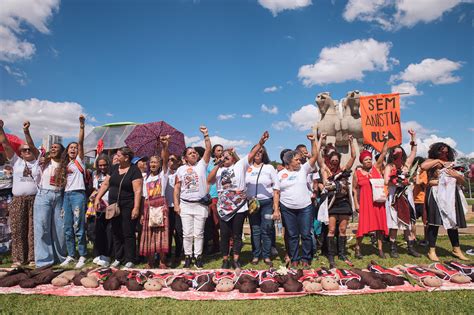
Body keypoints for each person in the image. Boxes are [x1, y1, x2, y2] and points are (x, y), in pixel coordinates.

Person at [208, 131, 270, 269]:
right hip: (223, 207)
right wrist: (218, 165)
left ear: (233, 158)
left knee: (237, 234)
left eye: (227, 155)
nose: (225, 158)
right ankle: (225, 259)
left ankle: (236, 258)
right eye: (223, 156)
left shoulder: (240, 165)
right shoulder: (218, 170)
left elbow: (252, 153)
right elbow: (209, 180)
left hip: (239, 207)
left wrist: (261, 142)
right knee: (224, 234)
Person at [94, 147, 143, 268]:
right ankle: (118, 257)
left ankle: (130, 258)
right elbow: (106, 184)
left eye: (119, 155)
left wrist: (136, 208)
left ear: (126, 157)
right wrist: (97, 197)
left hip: (128, 205)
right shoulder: (114, 168)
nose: (116, 157)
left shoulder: (134, 170)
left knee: (128, 231)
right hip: (113, 205)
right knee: (115, 231)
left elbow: (137, 191)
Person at [0, 120, 40, 267]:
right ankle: (18, 259)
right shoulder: (16, 161)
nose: (27, 151)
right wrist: (1, 129)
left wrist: (26, 132)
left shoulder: (36, 162)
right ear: (20, 153)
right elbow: (5, 144)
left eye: (29, 149)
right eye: (24, 150)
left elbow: (32, 145)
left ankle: (32, 258)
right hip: (17, 200)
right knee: (17, 229)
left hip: (34, 199)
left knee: (32, 230)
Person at [278, 133, 320, 269]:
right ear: (288, 162)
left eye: (299, 159)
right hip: (287, 208)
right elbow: (276, 191)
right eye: (296, 160)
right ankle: (295, 258)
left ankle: (306, 258)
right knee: (292, 235)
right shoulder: (280, 174)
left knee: (306, 234)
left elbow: (314, 157)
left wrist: (313, 142)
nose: (299, 161)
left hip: (305, 208)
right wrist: (276, 208)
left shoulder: (303, 169)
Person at [421, 142, 468, 261]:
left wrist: (455, 175)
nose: (444, 154)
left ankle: (456, 249)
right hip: (436, 193)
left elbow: (462, 181)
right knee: (434, 222)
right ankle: (432, 251)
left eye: (446, 152)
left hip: (451, 194)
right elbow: (423, 166)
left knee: (453, 222)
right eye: (441, 151)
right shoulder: (432, 161)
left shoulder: (453, 163)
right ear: (436, 151)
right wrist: (440, 162)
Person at [174, 126, 211, 269]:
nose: (194, 154)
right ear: (185, 157)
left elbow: (208, 149)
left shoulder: (202, 165)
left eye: (195, 152)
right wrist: (176, 205)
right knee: (187, 233)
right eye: (190, 153)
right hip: (185, 204)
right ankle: (188, 256)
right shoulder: (180, 169)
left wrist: (206, 135)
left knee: (199, 233)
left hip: (200, 204)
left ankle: (198, 257)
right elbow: (177, 188)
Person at [319, 134, 356, 268]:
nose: (334, 162)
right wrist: (319, 141)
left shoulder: (343, 170)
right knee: (331, 229)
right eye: (332, 160)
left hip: (344, 202)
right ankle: (330, 254)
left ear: (339, 161)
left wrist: (351, 142)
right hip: (332, 203)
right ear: (329, 160)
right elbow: (319, 159)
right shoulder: (326, 171)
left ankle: (342, 253)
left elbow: (353, 157)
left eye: (336, 161)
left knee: (342, 229)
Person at [383, 129, 419, 258]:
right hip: (394, 196)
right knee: (394, 224)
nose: (397, 153)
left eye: (399, 151)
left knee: (408, 223)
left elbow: (414, 152)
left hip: (406, 196)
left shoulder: (406, 165)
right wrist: (397, 181)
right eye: (395, 152)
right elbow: (386, 181)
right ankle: (393, 248)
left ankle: (411, 247)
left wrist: (413, 136)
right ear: (392, 154)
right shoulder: (389, 166)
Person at [58, 116, 88, 269]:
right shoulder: (65, 164)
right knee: (67, 227)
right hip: (66, 196)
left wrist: (81, 126)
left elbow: (81, 142)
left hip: (78, 195)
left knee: (79, 227)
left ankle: (82, 254)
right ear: (67, 150)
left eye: (75, 147)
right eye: (71, 147)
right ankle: (71, 255)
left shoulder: (79, 161)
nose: (73, 149)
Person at [353, 135, 389, 259]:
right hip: (365, 203)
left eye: (370, 159)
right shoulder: (357, 174)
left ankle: (380, 249)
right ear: (362, 162)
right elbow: (354, 189)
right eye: (366, 160)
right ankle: (358, 248)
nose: (368, 161)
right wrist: (356, 204)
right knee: (363, 227)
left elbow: (383, 153)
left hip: (378, 202)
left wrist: (385, 140)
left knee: (379, 226)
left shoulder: (376, 169)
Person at [33, 139, 67, 268]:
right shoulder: (44, 161)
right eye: (51, 147)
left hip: (60, 196)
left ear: (62, 151)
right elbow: (32, 146)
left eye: (56, 147)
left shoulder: (66, 164)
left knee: (60, 229)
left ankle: (61, 258)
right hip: (44, 195)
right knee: (42, 228)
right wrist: (26, 131)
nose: (53, 149)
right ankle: (44, 261)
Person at [245, 144, 280, 267]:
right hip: (252, 204)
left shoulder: (269, 167)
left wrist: (276, 208)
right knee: (255, 230)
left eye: (261, 151)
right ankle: (256, 255)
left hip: (266, 203)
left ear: (264, 153)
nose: (258, 153)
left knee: (266, 229)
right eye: (256, 151)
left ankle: (266, 255)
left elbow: (276, 189)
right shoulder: (247, 168)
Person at [139, 136, 170, 268]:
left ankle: (162, 261)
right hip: (148, 206)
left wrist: (164, 147)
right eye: (151, 162)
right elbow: (143, 197)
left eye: (155, 162)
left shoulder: (163, 175)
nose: (153, 164)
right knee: (149, 235)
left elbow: (165, 160)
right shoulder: (144, 178)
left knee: (161, 234)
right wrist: (141, 213)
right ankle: (150, 261)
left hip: (160, 206)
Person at [91, 155, 113, 267]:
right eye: (100, 165)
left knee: (109, 231)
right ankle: (99, 253)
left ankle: (108, 255)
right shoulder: (95, 175)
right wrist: (94, 195)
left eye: (104, 165)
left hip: (110, 205)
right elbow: (95, 189)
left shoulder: (112, 174)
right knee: (99, 231)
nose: (103, 167)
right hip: (99, 206)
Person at [204, 144, 223, 256]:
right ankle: (216, 246)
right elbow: (207, 179)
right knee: (213, 223)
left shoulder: (226, 162)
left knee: (223, 222)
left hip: (223, 195)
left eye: (222, 150)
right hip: (212, 195)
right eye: (218, 150)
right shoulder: (209, 164)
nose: (220, 152)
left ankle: (229, 245)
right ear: (214, 152)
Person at [165, 153, 183, 266]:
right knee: (168, 232)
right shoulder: (164, 173)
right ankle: (166, 255)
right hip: (166, 207)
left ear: (178, 162)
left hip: (178, 206)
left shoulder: (180, 173)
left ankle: (178, 254)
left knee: (179, 231)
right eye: (168, 159)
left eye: (173, 159)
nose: (170, 161)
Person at [412, 156, 428, 246]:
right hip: (414, 200)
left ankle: (426, 240)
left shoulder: (424, 173)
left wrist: (417, 173)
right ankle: (413, 238)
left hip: (422, 201)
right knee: (412, 221)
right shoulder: (414, 173)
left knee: (425, 221)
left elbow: (418, 182)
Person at [0, 151, 13, 258]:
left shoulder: (10, 167)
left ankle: (8, 249)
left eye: (1, 155)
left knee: (9, 223)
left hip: (8, 196)